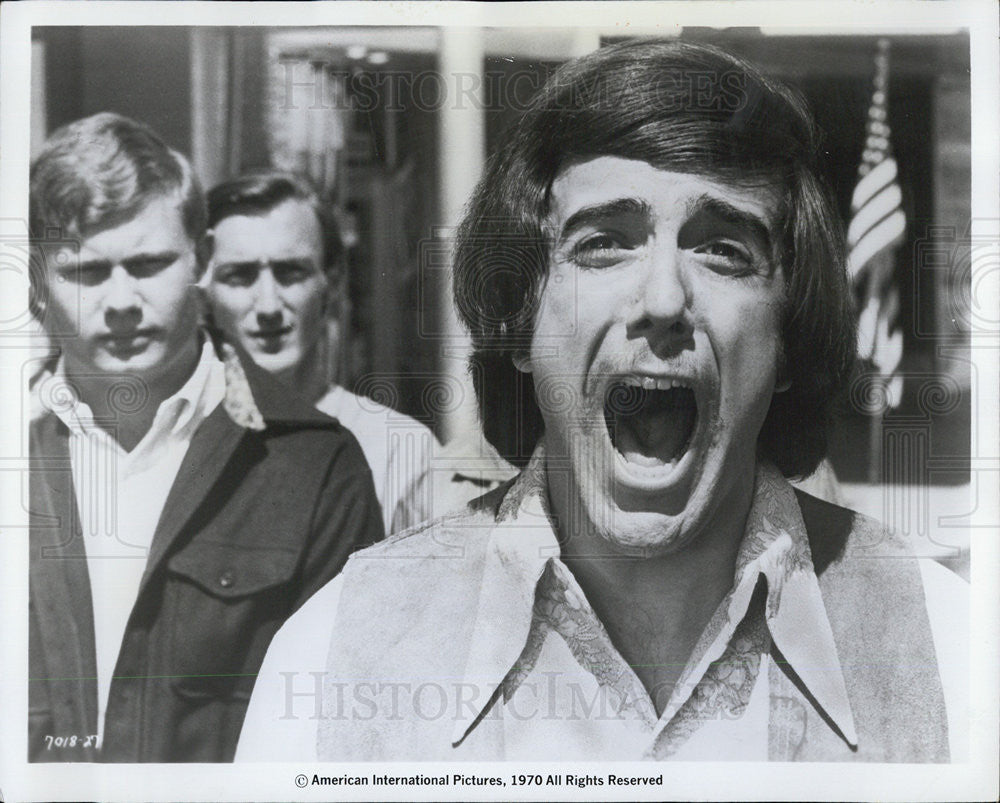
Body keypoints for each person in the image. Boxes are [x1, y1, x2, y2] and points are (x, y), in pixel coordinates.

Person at [237, 40, 967, 763]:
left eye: (723, 250)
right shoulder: (338, 653)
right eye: (603, 244)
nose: (663, 298)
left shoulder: (952, 652)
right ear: (518, 322)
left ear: (785, 336)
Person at [28, 113, 383, 762]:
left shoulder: (315, 466)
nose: (122, 300)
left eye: (148, 263)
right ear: (35, 286)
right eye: (85, 273)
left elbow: (346, 744)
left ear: (199, 261)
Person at [204, 171, 436, 532]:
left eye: (291, 273)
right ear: (205, 293)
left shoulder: (398, 451)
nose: (268, 306)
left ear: (332, 283)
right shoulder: (175, 438)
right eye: (240, 275)